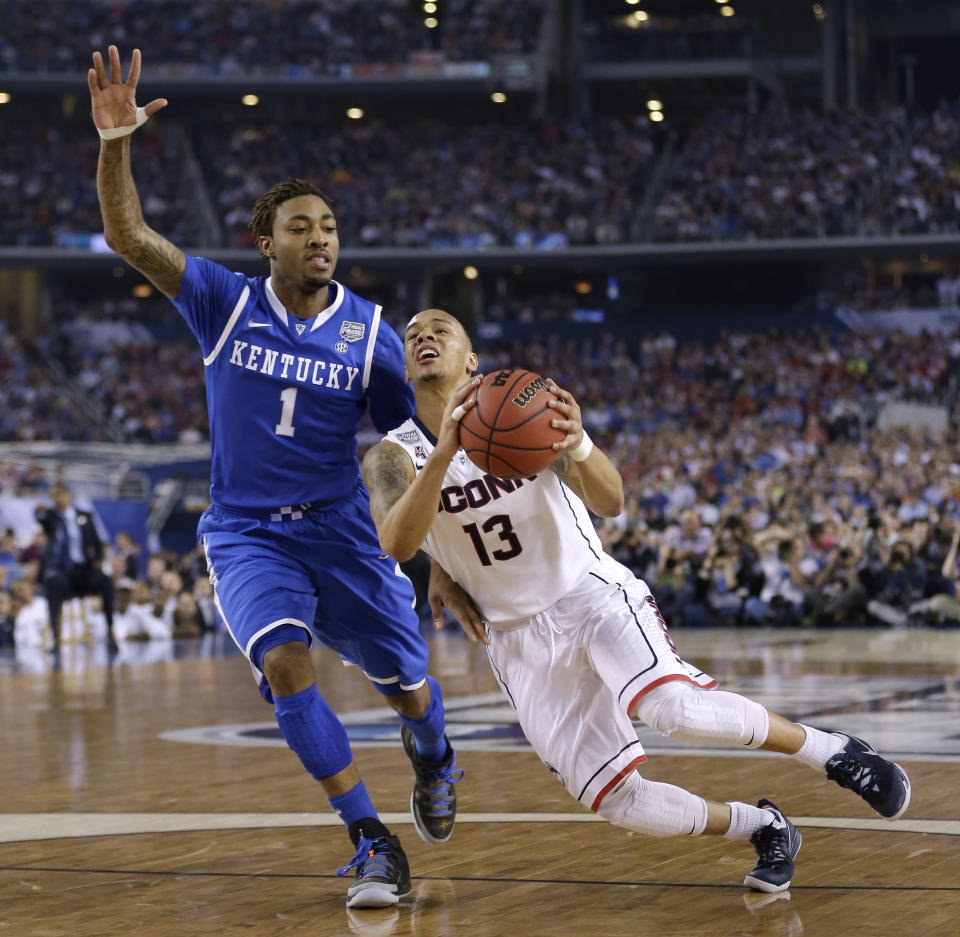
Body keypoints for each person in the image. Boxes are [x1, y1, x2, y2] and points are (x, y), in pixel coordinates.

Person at [361, 308, 912, 894]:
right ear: (402, 363)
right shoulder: (392, 456)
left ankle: (834, 752)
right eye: (413, 335)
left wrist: (580, 442)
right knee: (620, 800)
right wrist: (443, 478)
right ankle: (764, 825)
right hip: (516, 637)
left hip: (589, 594)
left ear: (471, 358)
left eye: (440, 330)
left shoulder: (526, 405)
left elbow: (613, 499)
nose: (424, 338)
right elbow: (397, 540)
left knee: (672, 708)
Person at [88, 45, 462, 909]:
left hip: (341, 527)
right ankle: (372, 839)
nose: (321, 237)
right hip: (248, 532)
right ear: (267, 244)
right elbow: (129, 236)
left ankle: (436, 755)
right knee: (286, 667)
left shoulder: (371, 330)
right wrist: (117, 144)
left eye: (329, 226)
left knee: (408, 687)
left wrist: (438, 548)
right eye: (301, 227)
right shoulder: (223, 299)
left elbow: (407, 442)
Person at [34, 482, 116, 652]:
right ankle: (55, 639)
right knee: (52, 584)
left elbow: (97, 542)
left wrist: (99, 560)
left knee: (106, 582)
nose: (58, 498)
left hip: (84, 571)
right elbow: (40, 518)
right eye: (54, 495)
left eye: (61, 494)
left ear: (69, 495)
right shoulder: (52, 518)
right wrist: (39, 510)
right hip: (63, 572)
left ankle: (111, 633)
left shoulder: (85, 516)